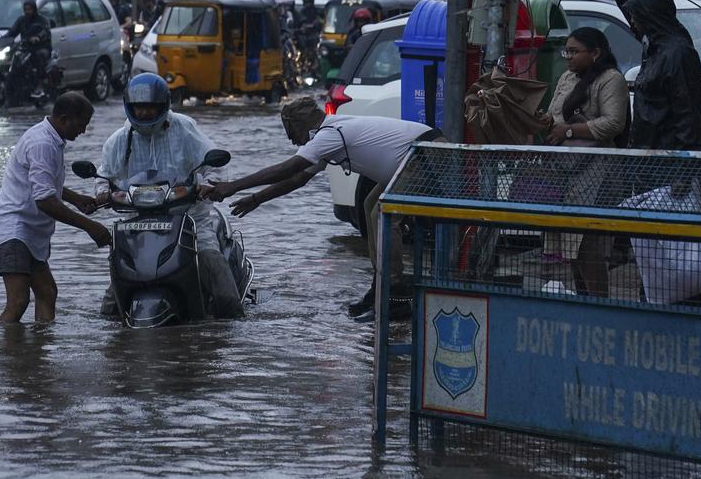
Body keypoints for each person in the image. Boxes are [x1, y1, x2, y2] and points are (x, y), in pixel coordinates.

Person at [204, 97, 444, 322]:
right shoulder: (331, 133)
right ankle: (379, 289)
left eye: (291, 132)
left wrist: (234, 186)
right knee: (370, 204)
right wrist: (256, 198)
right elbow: (298, 179)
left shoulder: (329, 134)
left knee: (381, 213)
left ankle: (395, 296)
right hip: (414, 155)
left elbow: (289, 168)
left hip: (426, 155)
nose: (292, 140)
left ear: (302, 125)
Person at [97, 73, 244, 319]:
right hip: (137, 223)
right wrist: (102, 193)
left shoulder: (185, 128)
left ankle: (235, 328)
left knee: (215, 270)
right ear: (130, 107)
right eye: (139, 108)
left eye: (150, 107)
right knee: (111, 305)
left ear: (163, 105)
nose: (144, 114)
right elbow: (104, 175)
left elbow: (214, 164)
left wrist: (209, 185)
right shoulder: (118, 140)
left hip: (190, 219)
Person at [0, 92, 112, 323]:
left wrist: (75, 198)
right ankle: (4, 356)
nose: (83, 131)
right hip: (13, 229)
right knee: (18, 301)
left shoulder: (50, 139)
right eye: (81, 124)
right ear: (64, 119)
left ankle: (39, 353)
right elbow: (44, 200)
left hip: (28, 231)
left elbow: (42, 183)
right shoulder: (42, 143)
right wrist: (90, 226)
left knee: (47, 293)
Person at [537, 27, 629, 297]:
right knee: (571, 247)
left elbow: (613, 123)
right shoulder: (567, 77)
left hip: (597, 173)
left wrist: (569, 131)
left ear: (596, 53)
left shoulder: (611, 80)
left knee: (589, 247)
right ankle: (583, 302)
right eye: (567, 51)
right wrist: (543, 121)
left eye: (574, 51)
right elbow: (555, 117)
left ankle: (598, 307)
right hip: (565, 173)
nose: (568, 57)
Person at [588, 0, 701, 151]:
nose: (631, 20)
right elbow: (630, 1)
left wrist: (684, 173)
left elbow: (689, 119)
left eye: (636, 16)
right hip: (647, 159)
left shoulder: (678, 54)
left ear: (649, 18)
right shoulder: (654, 43)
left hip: (667, 162)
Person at [4, 0, 53, 98]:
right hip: (26, 47)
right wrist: (2, 39)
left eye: (29, 9)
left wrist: (38, 37)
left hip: (41, 47)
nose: (28, 11)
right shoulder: (21, 20)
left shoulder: (42, 20)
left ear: (34, 9)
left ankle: (39, 85)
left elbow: (46, 32)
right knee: (15, 58)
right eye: (26, 9)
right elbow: (12, 32)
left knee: (38, 57)